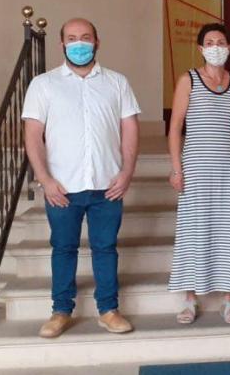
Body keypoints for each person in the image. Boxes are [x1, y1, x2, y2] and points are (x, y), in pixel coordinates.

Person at [23, 18, 140, 338]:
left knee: (106, 248)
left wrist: (127, 172)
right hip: (62, 187)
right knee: (63, 248)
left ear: (97, 42)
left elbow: (130, 130)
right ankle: (60, 311)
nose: (79, 43)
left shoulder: (117, 83)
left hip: (107, 185)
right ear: (61, 44)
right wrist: (45, 179)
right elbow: (33, 136)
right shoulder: (43, 85)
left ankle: (109, 310)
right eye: (72, 38)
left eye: (85, 37)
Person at [167, 23, 230, 324]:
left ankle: (228, 300)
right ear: (200, 48)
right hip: (196, 168)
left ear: (229, 48)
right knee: (195, 230)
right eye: (209, 42)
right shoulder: (188, 80)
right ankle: (190, 299)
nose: (215, 47)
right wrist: (176, 168)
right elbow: (175, 128)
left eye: (221, 42)